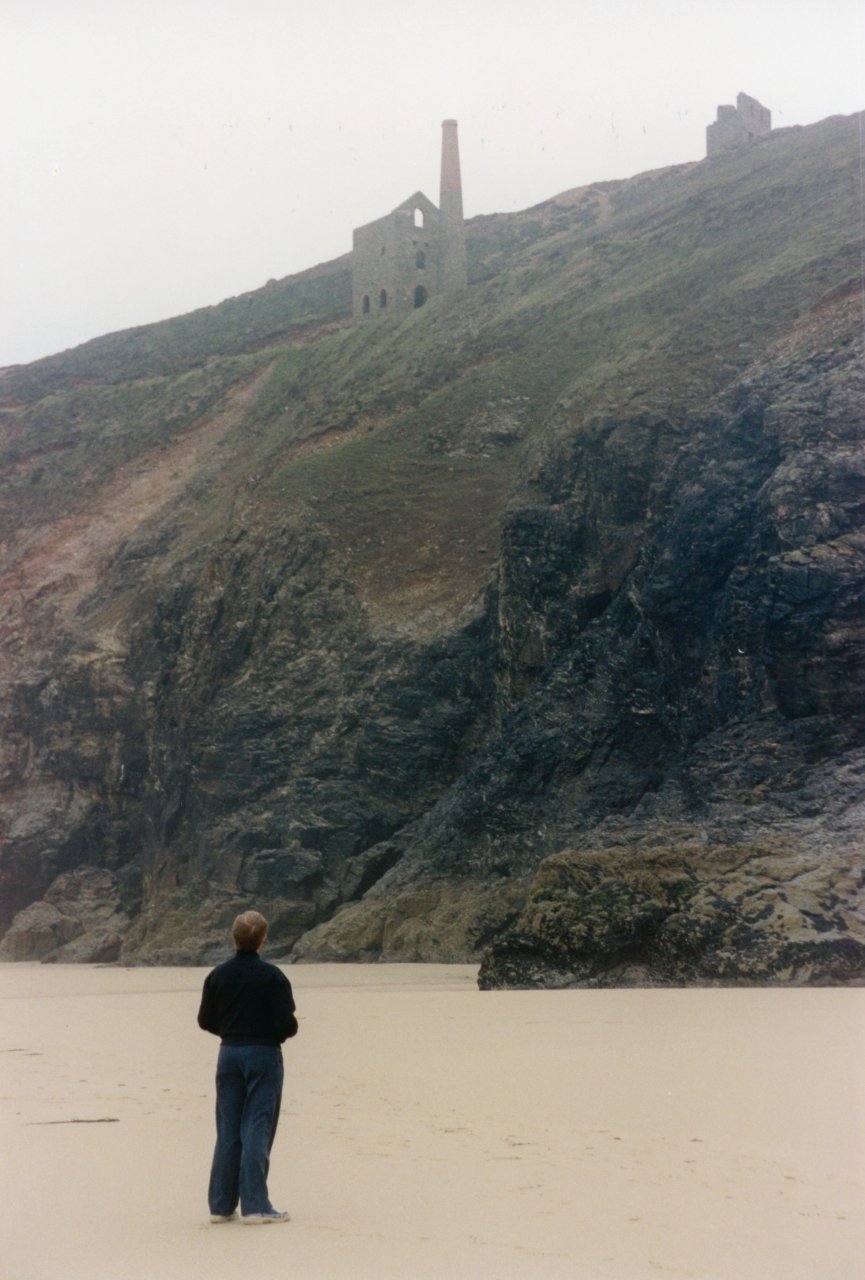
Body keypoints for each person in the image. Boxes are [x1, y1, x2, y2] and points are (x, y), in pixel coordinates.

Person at [197, 910, 298, 1225]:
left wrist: (231, 1032)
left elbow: (205, 1020)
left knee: (228, 1128)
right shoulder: (273, 976)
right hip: (263, 1054)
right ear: (263, 940)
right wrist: (271, 1034)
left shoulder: (217, 975)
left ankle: (221, 1205)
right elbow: (288, 1025)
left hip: (228, 1054)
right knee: (257, 1125)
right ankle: (255, 1205)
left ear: (234, 937)